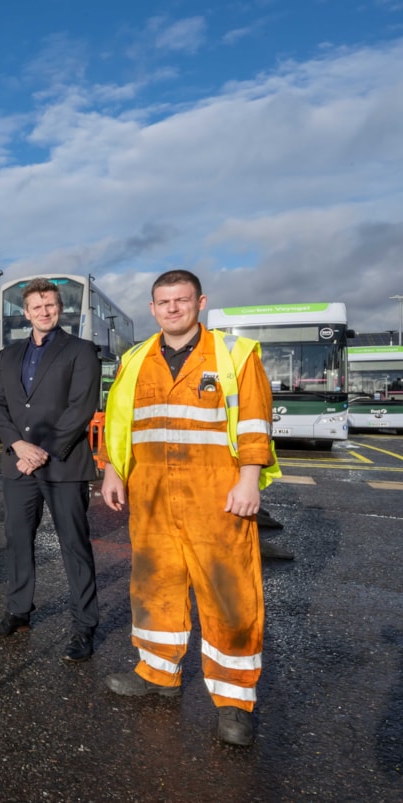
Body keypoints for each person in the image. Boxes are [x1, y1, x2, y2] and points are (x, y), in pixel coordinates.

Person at [99, 269, 277, 747]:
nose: (172, 308)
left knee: (228, 593)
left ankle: (234, 702)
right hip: (152, 496)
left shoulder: (235, 356)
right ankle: (157, 672)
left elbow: (256, 421)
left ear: (200, 303)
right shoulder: (135, 359)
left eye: (181, 300)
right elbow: (119, 422)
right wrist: (112, 470)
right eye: (163, 302)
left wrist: (249, 480)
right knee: (155, 585)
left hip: (216, 497)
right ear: (153, 309)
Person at [0, 278, 102, 662]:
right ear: (25, 313)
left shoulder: (81, 351)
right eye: (36, 307)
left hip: (64, 464)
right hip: (19, 464)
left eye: (50, 305)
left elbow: (81, 408)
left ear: (60, 308)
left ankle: (84, 626)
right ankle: (19, 612)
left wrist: (41, 452)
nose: (44, 312)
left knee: (74, 546)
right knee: (18, 542)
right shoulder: (9, 355)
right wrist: (19, 446)